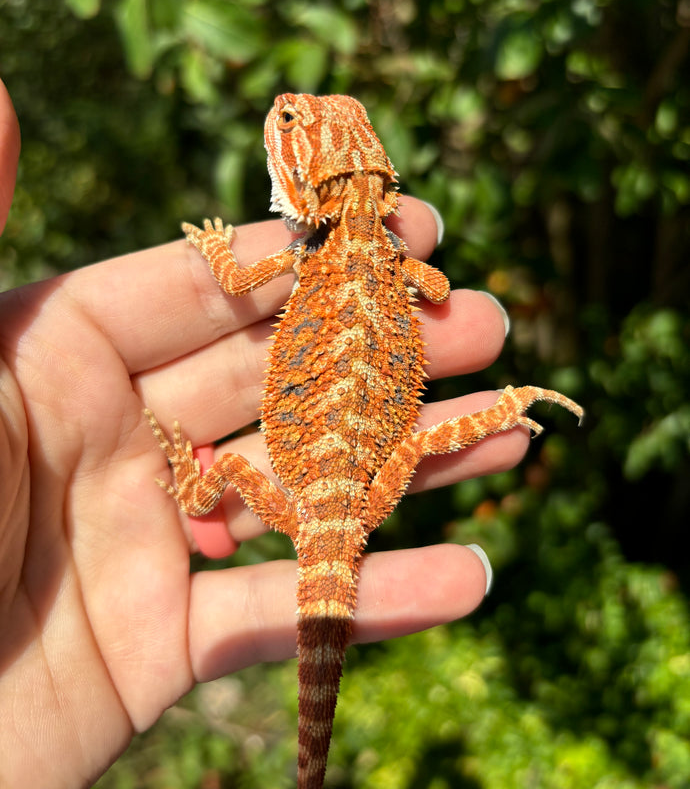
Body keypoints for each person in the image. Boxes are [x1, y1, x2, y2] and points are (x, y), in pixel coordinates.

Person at [0, 78, 522, 787]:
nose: (282, 114)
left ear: (313, 175)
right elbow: (435, 294)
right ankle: (502, 414)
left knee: (395, 452)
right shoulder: (385, 257)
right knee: (419, 444)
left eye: (291, 119)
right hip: (345, 481)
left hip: (320, 486)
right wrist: (404, 266)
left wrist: (217, 249)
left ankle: (194, 483)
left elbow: (238, 281)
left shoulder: (309, 256)